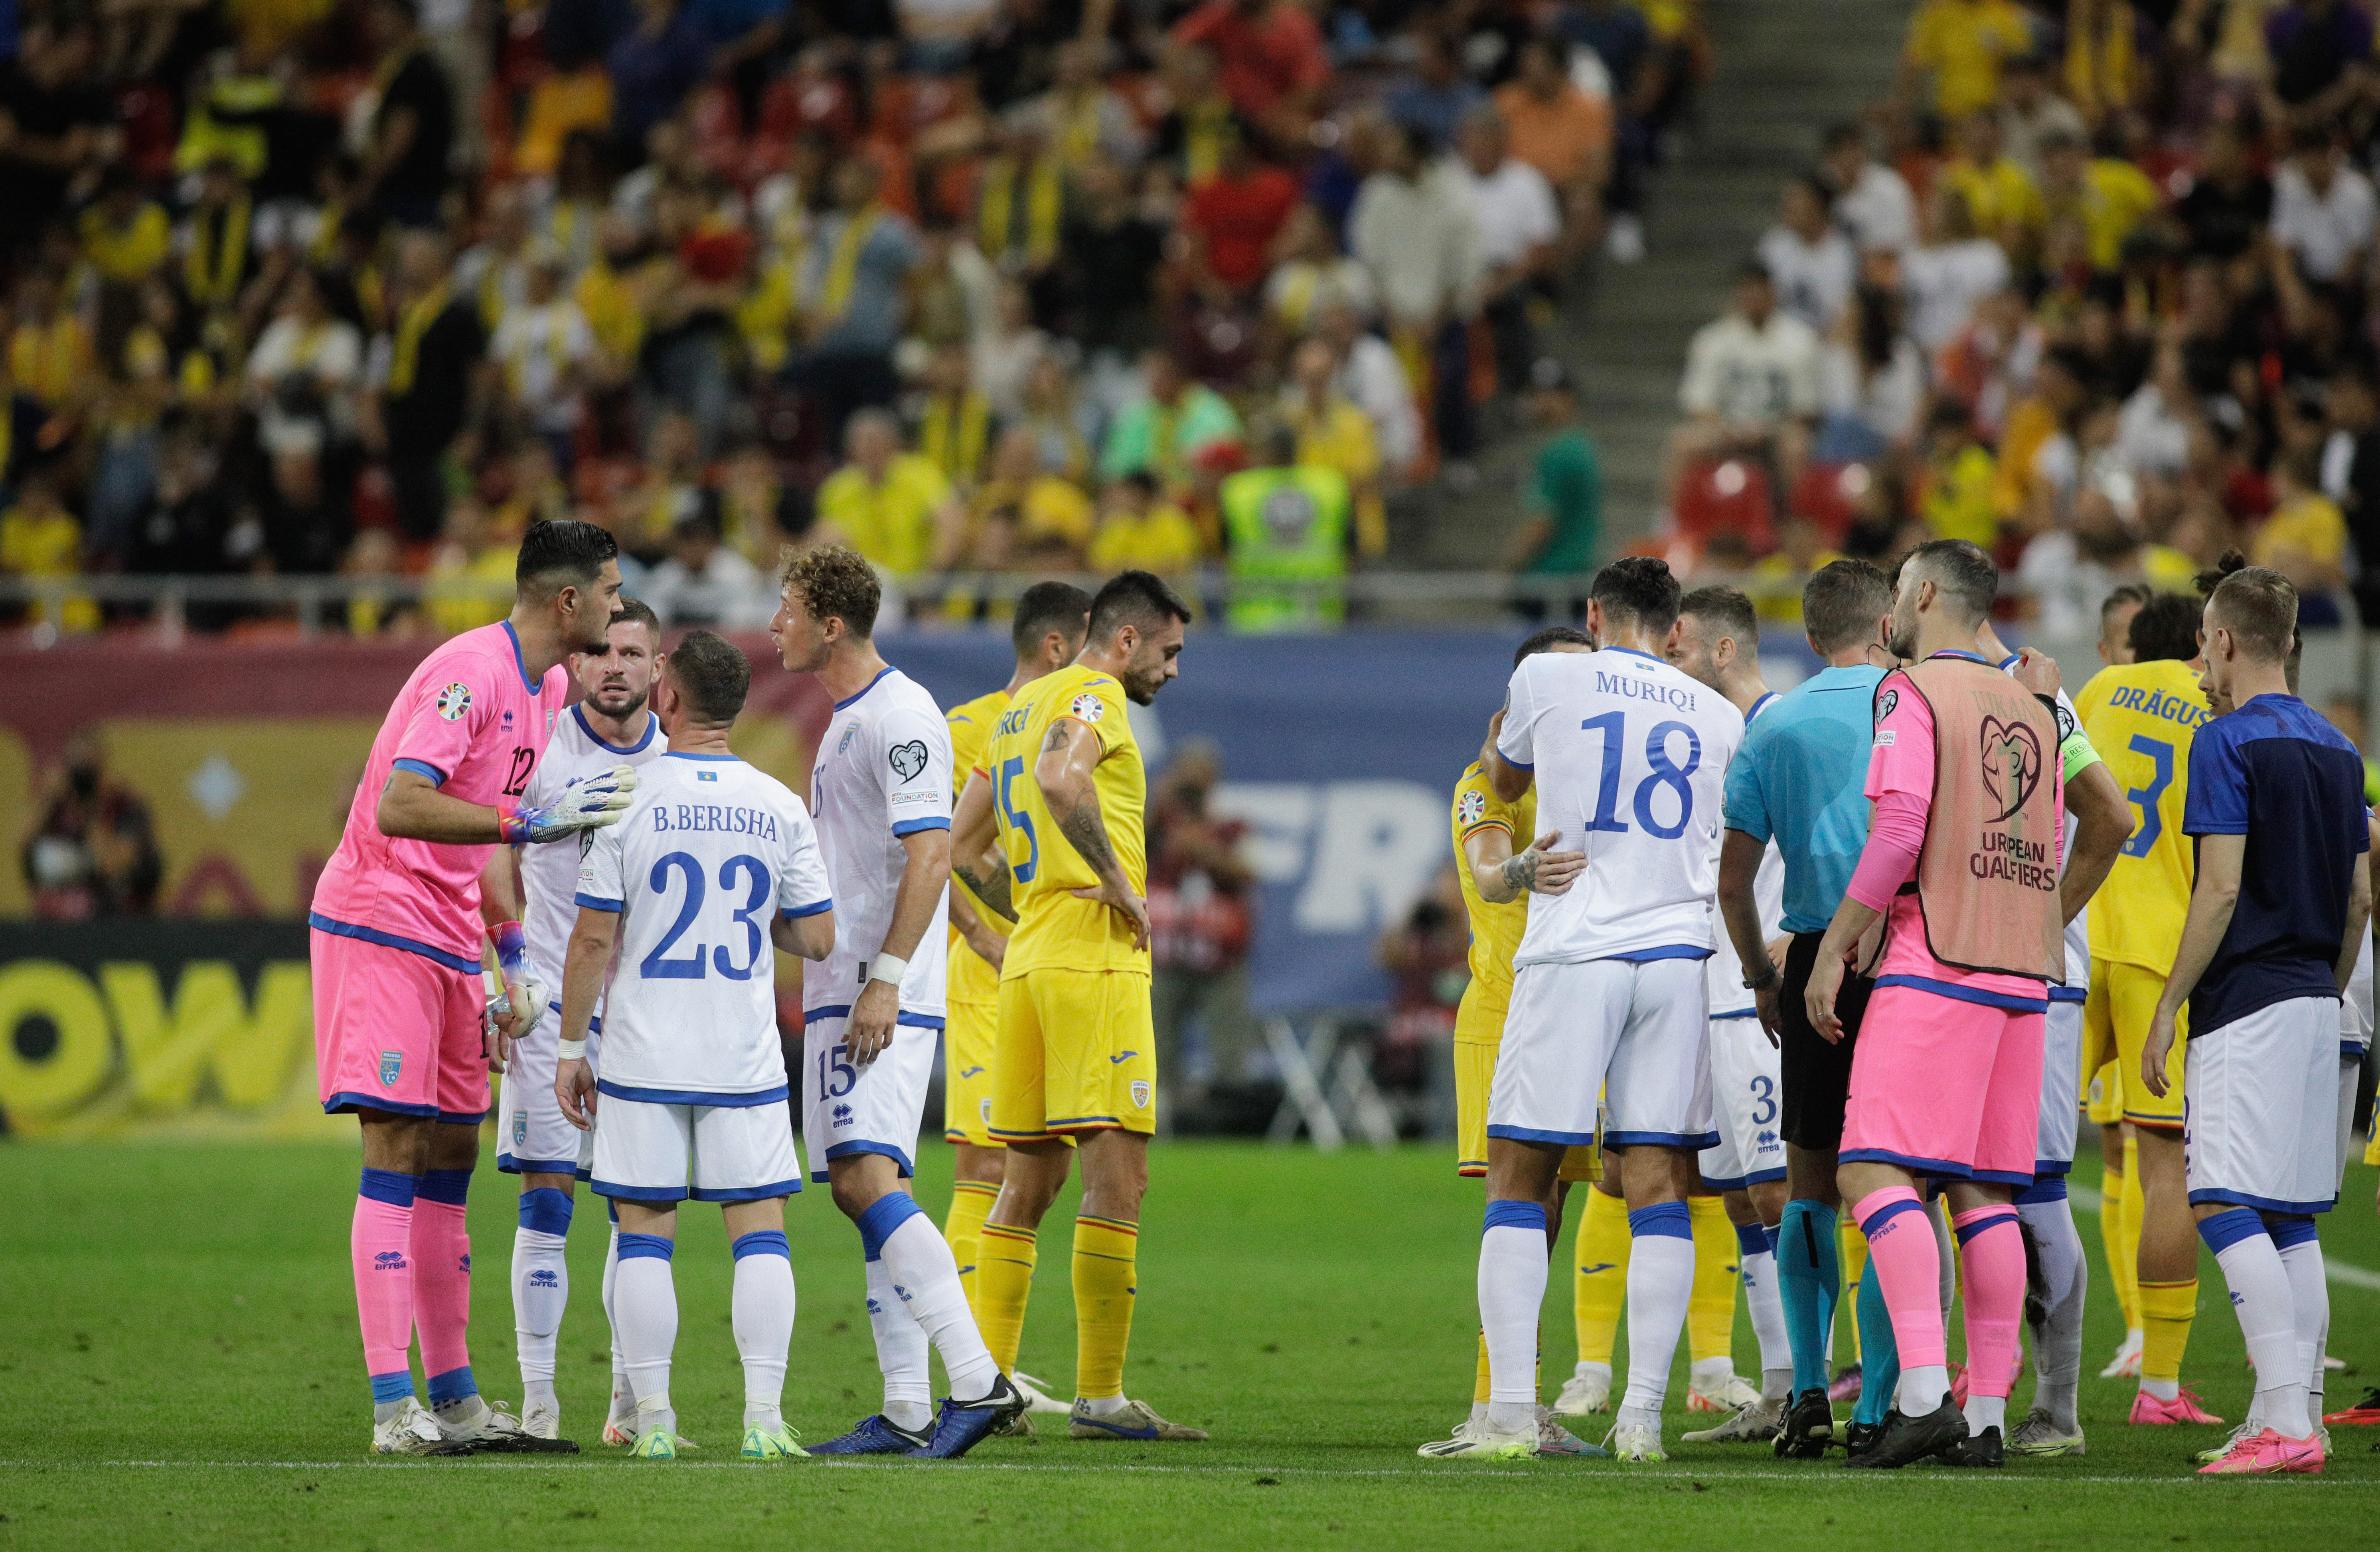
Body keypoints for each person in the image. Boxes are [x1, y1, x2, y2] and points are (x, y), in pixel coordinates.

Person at [308, 519, 630, 1456]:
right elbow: (401, 803)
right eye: (609, 589)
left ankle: (454, 1402)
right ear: (566, 600)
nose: (617, 605)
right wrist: (521, 822)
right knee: (398, 1140)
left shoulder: (552, 683)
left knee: (452, 1144)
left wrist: (514, 952)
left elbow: (484, 834)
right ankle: (390, 1406)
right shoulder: (473, 673)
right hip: (381, 915)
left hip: (454, 932)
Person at [1445, 557, 1746, 1463]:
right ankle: (1644, 1419)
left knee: (1520, 1176)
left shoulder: (1547, 674)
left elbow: (1499, 783)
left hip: (1575, 944)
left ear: (1594, 614)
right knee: (1658, 1184)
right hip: (1677, 958)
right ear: (1677, 629)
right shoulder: (1721, 714)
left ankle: (1502, 1415)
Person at [1804, 539, 2068, 1471]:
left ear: (1920, 594)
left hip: (1938, 957)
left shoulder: (1910, 692)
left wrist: (1837, 942)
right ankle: (1987, 1415)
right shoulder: (2036, 702)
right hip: (2022, 972)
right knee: (1983, 1188)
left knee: (1869, 1171)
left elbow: (1901, 824)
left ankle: (1921, 1395)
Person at [769, 545, 1029, 1457]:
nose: (775, 625)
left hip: (878, 989)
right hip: (847, 982)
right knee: (865, 1185)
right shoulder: (850, 719)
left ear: (832, 623)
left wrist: (884, 976)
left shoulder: (900, 713)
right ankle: (910, 1407)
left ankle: (977, 1379)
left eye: (789, 609)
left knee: (861, 1177)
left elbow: (932, 852)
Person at [556, 630, 835, 1462]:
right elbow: (818, 938)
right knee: (760, 1234)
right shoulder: (778, 803)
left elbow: (593, 942)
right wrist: (749, 921)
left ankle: (657, 1421)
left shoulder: (623, 795)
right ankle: (764, 1417)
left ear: (667, 699)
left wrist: (572, 1046)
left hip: (644, 1055)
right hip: (742, 1057)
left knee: (644, 1231)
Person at [948, 569, 1209, 1442]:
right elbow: (1065, 782)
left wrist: (1028, 902)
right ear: (1125, 638)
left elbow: (959, 842)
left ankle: (985, 1388)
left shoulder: (1018, 709)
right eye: (1168, 652)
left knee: (1027, 1181)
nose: (1173, 670)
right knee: (1118, 1177)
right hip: (1094, 960)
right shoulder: (1096, 694)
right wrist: (1111, 882)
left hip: (1027, 964)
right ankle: (1099, 1396)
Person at [2142, 565, 2368, 1475]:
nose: (2202, 654)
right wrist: (2327, 987)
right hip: (2321, 997)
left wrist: (2168, 1004)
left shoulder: (2224, 741)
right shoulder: (2339, 747)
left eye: (2205, 637)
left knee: (2223, 1197)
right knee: (2291, 1216)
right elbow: (2358, 899)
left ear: (2226, 640)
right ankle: (2293, 1410)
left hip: (2250, 1000)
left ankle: (2286, 1422)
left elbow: (2222, 884)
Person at [1716, 558, 1895, 1459]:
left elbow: (1734, 880)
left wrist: (1759, 974)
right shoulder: (1916, 706)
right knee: (1901, 1185)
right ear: (1889, 621)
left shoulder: (1776, 722)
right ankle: (1885, 1399)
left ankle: (1809, 1390)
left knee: (1811, 1182)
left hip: (1815, 954)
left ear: (1812, 634)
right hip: (1910, 958)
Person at [497, 600, 670, 1445]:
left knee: (631, 1208)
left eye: (631, 652)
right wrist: (507, 968)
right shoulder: (540, 750)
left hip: (638, 1015)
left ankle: (628, 1400)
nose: (613, 665)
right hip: (547, 1008)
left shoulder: (678, 766)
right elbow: (491, 853)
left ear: (658, 668)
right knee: (547, 1200)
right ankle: (537, 1398)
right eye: (600, 648)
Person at [1433, 626, 1601, 1457]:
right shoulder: (1484, 785)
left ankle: (1520, 1401)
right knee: (1521, 1211)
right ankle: (1492, 1406)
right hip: (1505, 1015)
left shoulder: (1590, 776)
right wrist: (1532, 869)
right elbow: (1493, 873)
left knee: (1553, 1209)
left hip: (1575, 1011)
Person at [938, 581, 1092, 1430]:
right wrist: (987, 930)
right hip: (990, 968)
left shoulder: (1068, 727)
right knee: (986, 1163)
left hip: (1049, 964)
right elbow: (930, 849)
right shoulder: (973, 725)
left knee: (1038, 1165)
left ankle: (991, 1364)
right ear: (1059, 646)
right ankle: (977, 1370)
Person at [1977, 613, 2131, 1459]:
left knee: (2031, 1188)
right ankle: (1978, 1391)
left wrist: (2045, 925)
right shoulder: (1979, 682)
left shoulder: (2036, 691)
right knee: (1967, 1187)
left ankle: (2058, 1405)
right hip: (1972, 971)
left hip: (2031, 979)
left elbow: (2111, 814)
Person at [2072, 589, 2226, 1422]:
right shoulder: (2212, 715)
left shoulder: (2099, 690)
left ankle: (1968, 1368)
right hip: (2159, 953)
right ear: (2204, 644)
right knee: (2163, 1162)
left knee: (2006, 1159)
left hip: (2073, 933)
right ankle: (2159, 1385)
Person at [1664, 586, 1795, 1445]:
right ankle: (1784, 1386)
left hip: (1764, 998)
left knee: (1783, 1191)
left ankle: (1822, 1384)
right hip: (1710, 993)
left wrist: (1791, 939)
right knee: (1744, 1197)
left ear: (1718, 652)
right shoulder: (1708, 740)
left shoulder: (1782, 728)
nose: (1665, 672)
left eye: (1676, 654)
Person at [21, 727, 163, 919]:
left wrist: (95, 808)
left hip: (121, 919)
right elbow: (29, 855)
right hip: (65, 918)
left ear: (101, 762)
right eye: (74, 763)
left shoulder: (123, 806)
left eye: (88, 762)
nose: (81, 772)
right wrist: (47, 800)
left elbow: (112, 863)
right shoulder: (58, 808)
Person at [1504, 359, 1601, 593]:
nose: (1539, 401)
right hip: (1569, 578)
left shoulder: (1562, 451)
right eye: (1536, 393)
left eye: (1549, 394)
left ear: (1568, 398)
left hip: (1553, 581)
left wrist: (1508, 567)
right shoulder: (1577, 446)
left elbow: (1542, 521)